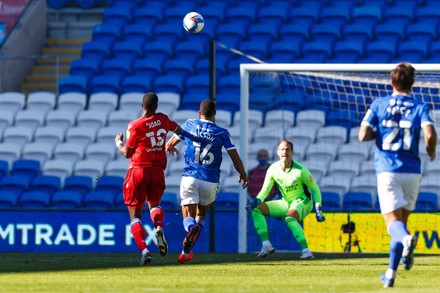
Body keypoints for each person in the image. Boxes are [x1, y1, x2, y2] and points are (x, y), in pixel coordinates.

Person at [358, 62, 437, 288]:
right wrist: (431, 150)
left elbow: (363, 135)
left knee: (393, 223)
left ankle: (405, 240)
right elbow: (430, 134)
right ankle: (391, 273)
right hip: (412, 171)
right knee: (402, 222)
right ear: (413, 83)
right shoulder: (419, 106)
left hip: (388, 171)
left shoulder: (379, 104)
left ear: (392, 82)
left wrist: (380, 133)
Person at [114, 92, 205, 265]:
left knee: (135, 214)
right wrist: (191, 140)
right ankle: (158, 227)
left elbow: (127, 153)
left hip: (138, 170)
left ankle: (145, 251)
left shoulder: (135, 125)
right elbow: (180, 131)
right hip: (157, 171)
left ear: (142, 105)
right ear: (156, 106)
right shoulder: (163, 119)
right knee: (154, 205)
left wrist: (118, 142)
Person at [165, 99, 249, 264]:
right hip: (210, 181)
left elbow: (169, 143)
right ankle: (186, 251)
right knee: (200, 215)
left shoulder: (189, 124)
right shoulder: (221, 132)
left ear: (199, 112)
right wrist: (243, 173)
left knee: (187, 214)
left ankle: (190, 229)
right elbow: (234, 157)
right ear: (215, 114)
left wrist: (170, 147)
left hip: (190, 177)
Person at [246, 139, 325, 259]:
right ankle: (266, 244)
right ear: (278, 152)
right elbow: (265, 190)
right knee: (256, 210)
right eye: (282, 149)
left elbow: (315, 189)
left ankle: (306, 251)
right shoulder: (273, 169)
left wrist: (318, 208)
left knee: (290, 218)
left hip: (303, 201)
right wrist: (256, 201)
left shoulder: (300, 170)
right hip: (286, 202)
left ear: (292, 152)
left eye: (288, 149)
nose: (285, 152)